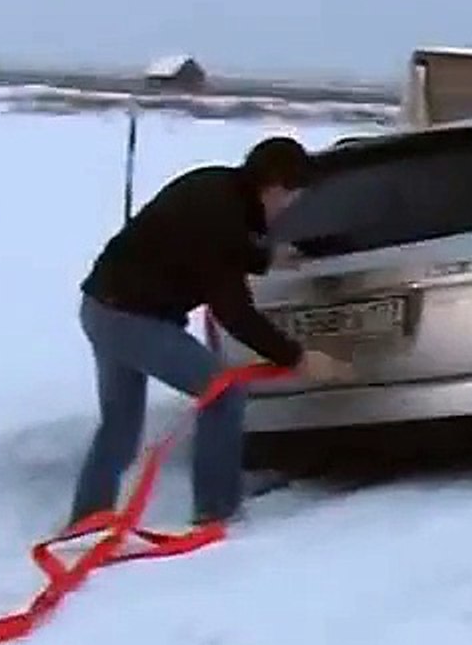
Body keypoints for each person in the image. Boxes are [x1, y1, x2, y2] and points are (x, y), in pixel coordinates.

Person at [71, 136, 353, 528]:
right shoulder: (222, 215)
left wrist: (266, 257)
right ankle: (217, 512)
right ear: (274, 187)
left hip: (102, 307)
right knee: (223, 392)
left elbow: (214, 248)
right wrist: (298, 357)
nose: (290, 207)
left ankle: (86, 519)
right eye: (291, 197)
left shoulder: (216, 186)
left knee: (120, 427)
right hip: (132, 319)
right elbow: (233, 310)